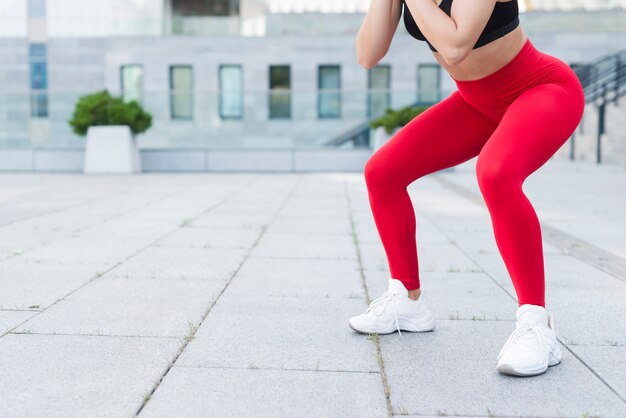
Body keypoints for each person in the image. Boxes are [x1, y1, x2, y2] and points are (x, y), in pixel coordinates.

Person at [348, 0, 585, 377]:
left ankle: (537, 326)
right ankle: (407, 302)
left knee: (495, 174)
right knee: (383, 172)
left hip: (541, 89)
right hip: (479, 101)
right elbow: (367, 54)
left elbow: (457, 46)